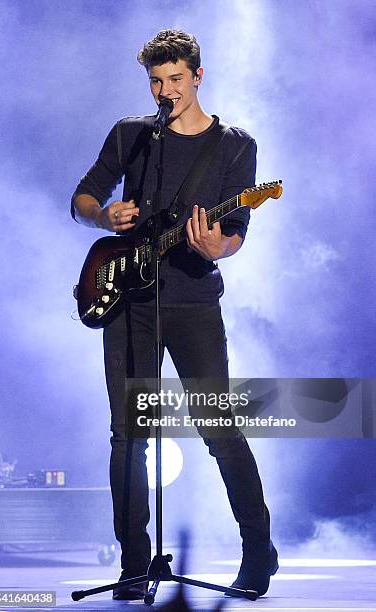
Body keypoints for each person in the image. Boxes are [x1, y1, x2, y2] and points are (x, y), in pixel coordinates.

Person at [71, 29, 278, 600]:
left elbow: (234, 234)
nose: (166, 91)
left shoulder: (235, 147)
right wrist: (103, 216)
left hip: (192, 303)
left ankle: (259, 552)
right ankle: (134, 567)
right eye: (156, 82)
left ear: (198, 76)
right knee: (127, 436)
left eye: (176, 80)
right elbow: (83, 196)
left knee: (220, 430)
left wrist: (218, 247)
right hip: (127, 304)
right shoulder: (132, 134)